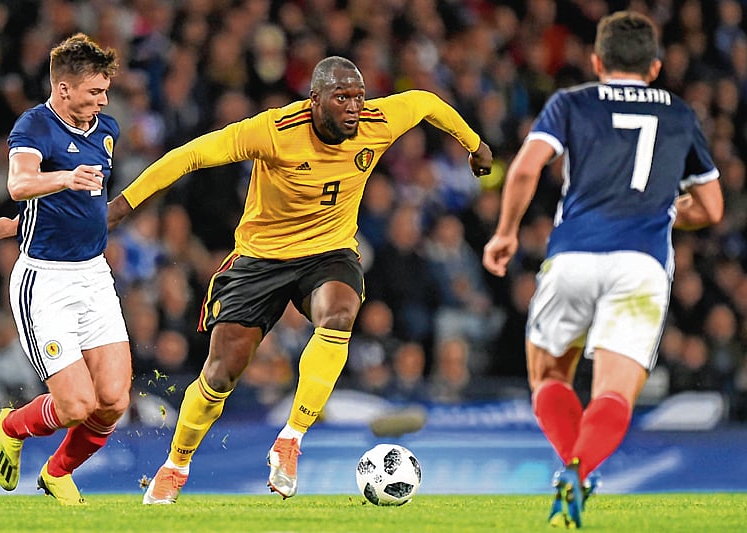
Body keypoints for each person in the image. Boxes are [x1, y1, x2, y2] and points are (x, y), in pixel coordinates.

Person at [106, 55, 493, 504]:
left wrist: (475, 143)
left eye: (359, 96)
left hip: (328, 251)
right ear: (314, 100)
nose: (354, 107)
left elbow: (426, 102)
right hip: (261, 259)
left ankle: (290, 439)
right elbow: (190, 155)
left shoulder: (377, 121)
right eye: (342, 97)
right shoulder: (273, 131)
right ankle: (175, 465)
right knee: (220, 375)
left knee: (341, 314)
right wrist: (122, 205)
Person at [482, 11, 723, 529]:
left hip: (573, 258)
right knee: (614, 393)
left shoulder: (570, 102)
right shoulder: (679, 114)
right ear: (655, 67)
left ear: (596, 61)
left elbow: (525, 167)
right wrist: (665, 210)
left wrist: (504, 232)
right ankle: (579, 470)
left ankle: (575, 470)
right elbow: (713, 206)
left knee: (548, 376)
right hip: (641, 267)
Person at [0, 33, 132, 505]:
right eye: (93, 92)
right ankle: (11, 426)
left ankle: (57, 473)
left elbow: (75, 210)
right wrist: (63, 177)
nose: (102, 101)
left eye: (105, 92)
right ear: (63, 89)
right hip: (46, 282)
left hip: (94, 276)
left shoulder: (107, 130)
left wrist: (20, 225)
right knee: (75, 405)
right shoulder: (33, 126)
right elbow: (20, 181)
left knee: (114, 401)